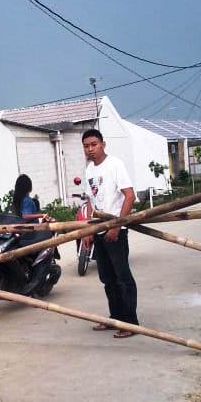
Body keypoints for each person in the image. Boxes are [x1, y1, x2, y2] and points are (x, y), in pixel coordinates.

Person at [80, 129, 139, 338]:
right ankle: (116, 318)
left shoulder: (115, 165)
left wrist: (116, 226)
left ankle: (130, 323)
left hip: (116, 231)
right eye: (86, 146)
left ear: (103, 144)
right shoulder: (89, 170)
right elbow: (89, 202)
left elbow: (129, 196)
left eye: (94, 144)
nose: (90, 149)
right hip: (98, 230)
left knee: (122, 276)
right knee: (107, 278)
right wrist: (88, 231)